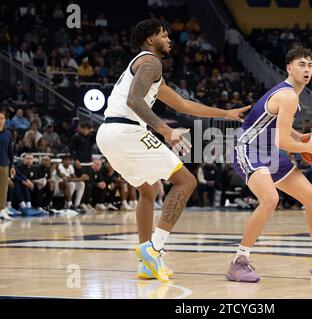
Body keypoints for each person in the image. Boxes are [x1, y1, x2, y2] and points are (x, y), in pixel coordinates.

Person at [95, 19, 249, 283]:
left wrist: (226, 113)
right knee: (186, 181)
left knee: (147, 190)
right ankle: (155, 249)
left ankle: (146, 263)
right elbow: (134, 100)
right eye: (163, 35)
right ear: (149, 39)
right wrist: (166, 131)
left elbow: (183, 105)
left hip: (108, 134)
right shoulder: (151, 62)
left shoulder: (148, 68)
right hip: (127, 130)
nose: (169, 39)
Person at [229, 46, 312, 283]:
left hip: (268, 152)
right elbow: (282, 141)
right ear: (289, 68)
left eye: (310, 65)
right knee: (270, 199)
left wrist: (300, 137)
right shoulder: (289, 96)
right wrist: (308, 148)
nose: (307, 69)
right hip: (247, 148)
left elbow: (277, 126)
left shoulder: (291, 94)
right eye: (301, 64)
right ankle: (238, 262)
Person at [0, 112, 14, 221]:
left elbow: (10, 151)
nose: (0, 120)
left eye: (2, 118)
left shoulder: (8, 134)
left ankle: (2, 210)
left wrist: (12, 165)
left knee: (3, 188)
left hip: (5, 164)